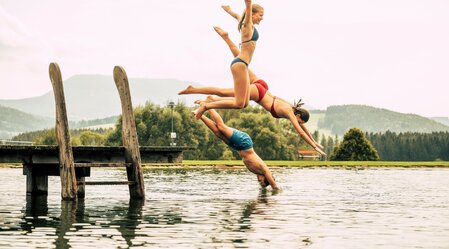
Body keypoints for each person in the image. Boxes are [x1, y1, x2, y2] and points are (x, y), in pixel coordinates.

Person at [180, 25, 326, 155]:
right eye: (300, 121)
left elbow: (303, 129)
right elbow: (300, 131)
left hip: (261, 86)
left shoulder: (289, 107)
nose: (299, 123)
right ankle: (198, 94)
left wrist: (315, 142)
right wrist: (313, 145)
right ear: (299, 116)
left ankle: (226, 38)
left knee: (240, 59)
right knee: (227, 93)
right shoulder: (289, 112)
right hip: (259, 93)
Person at [193, 0, 264, 119]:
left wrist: (229, 10)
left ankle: (211, 100)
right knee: (238, 102)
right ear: (251, 14)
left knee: (244, 103)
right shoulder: (247, 25)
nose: (262, 18)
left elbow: (238, 16)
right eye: (260, 15)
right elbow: (246, 8)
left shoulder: (244, 24)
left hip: (242, 64)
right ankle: (206, 106)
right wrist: (248, 4)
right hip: (240, 63)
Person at [195, 104, 279, 190]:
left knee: (218, 133)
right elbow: (274, 185)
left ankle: (200, 115)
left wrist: (264, 190)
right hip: (244, 143)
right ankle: (208, 105)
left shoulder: (257, 171)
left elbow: (264, 187)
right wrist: (275, 189)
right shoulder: (264, 169)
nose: (259, 181)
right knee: (221, 127)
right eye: (261, 181)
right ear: (266, 178)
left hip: (238, 147)